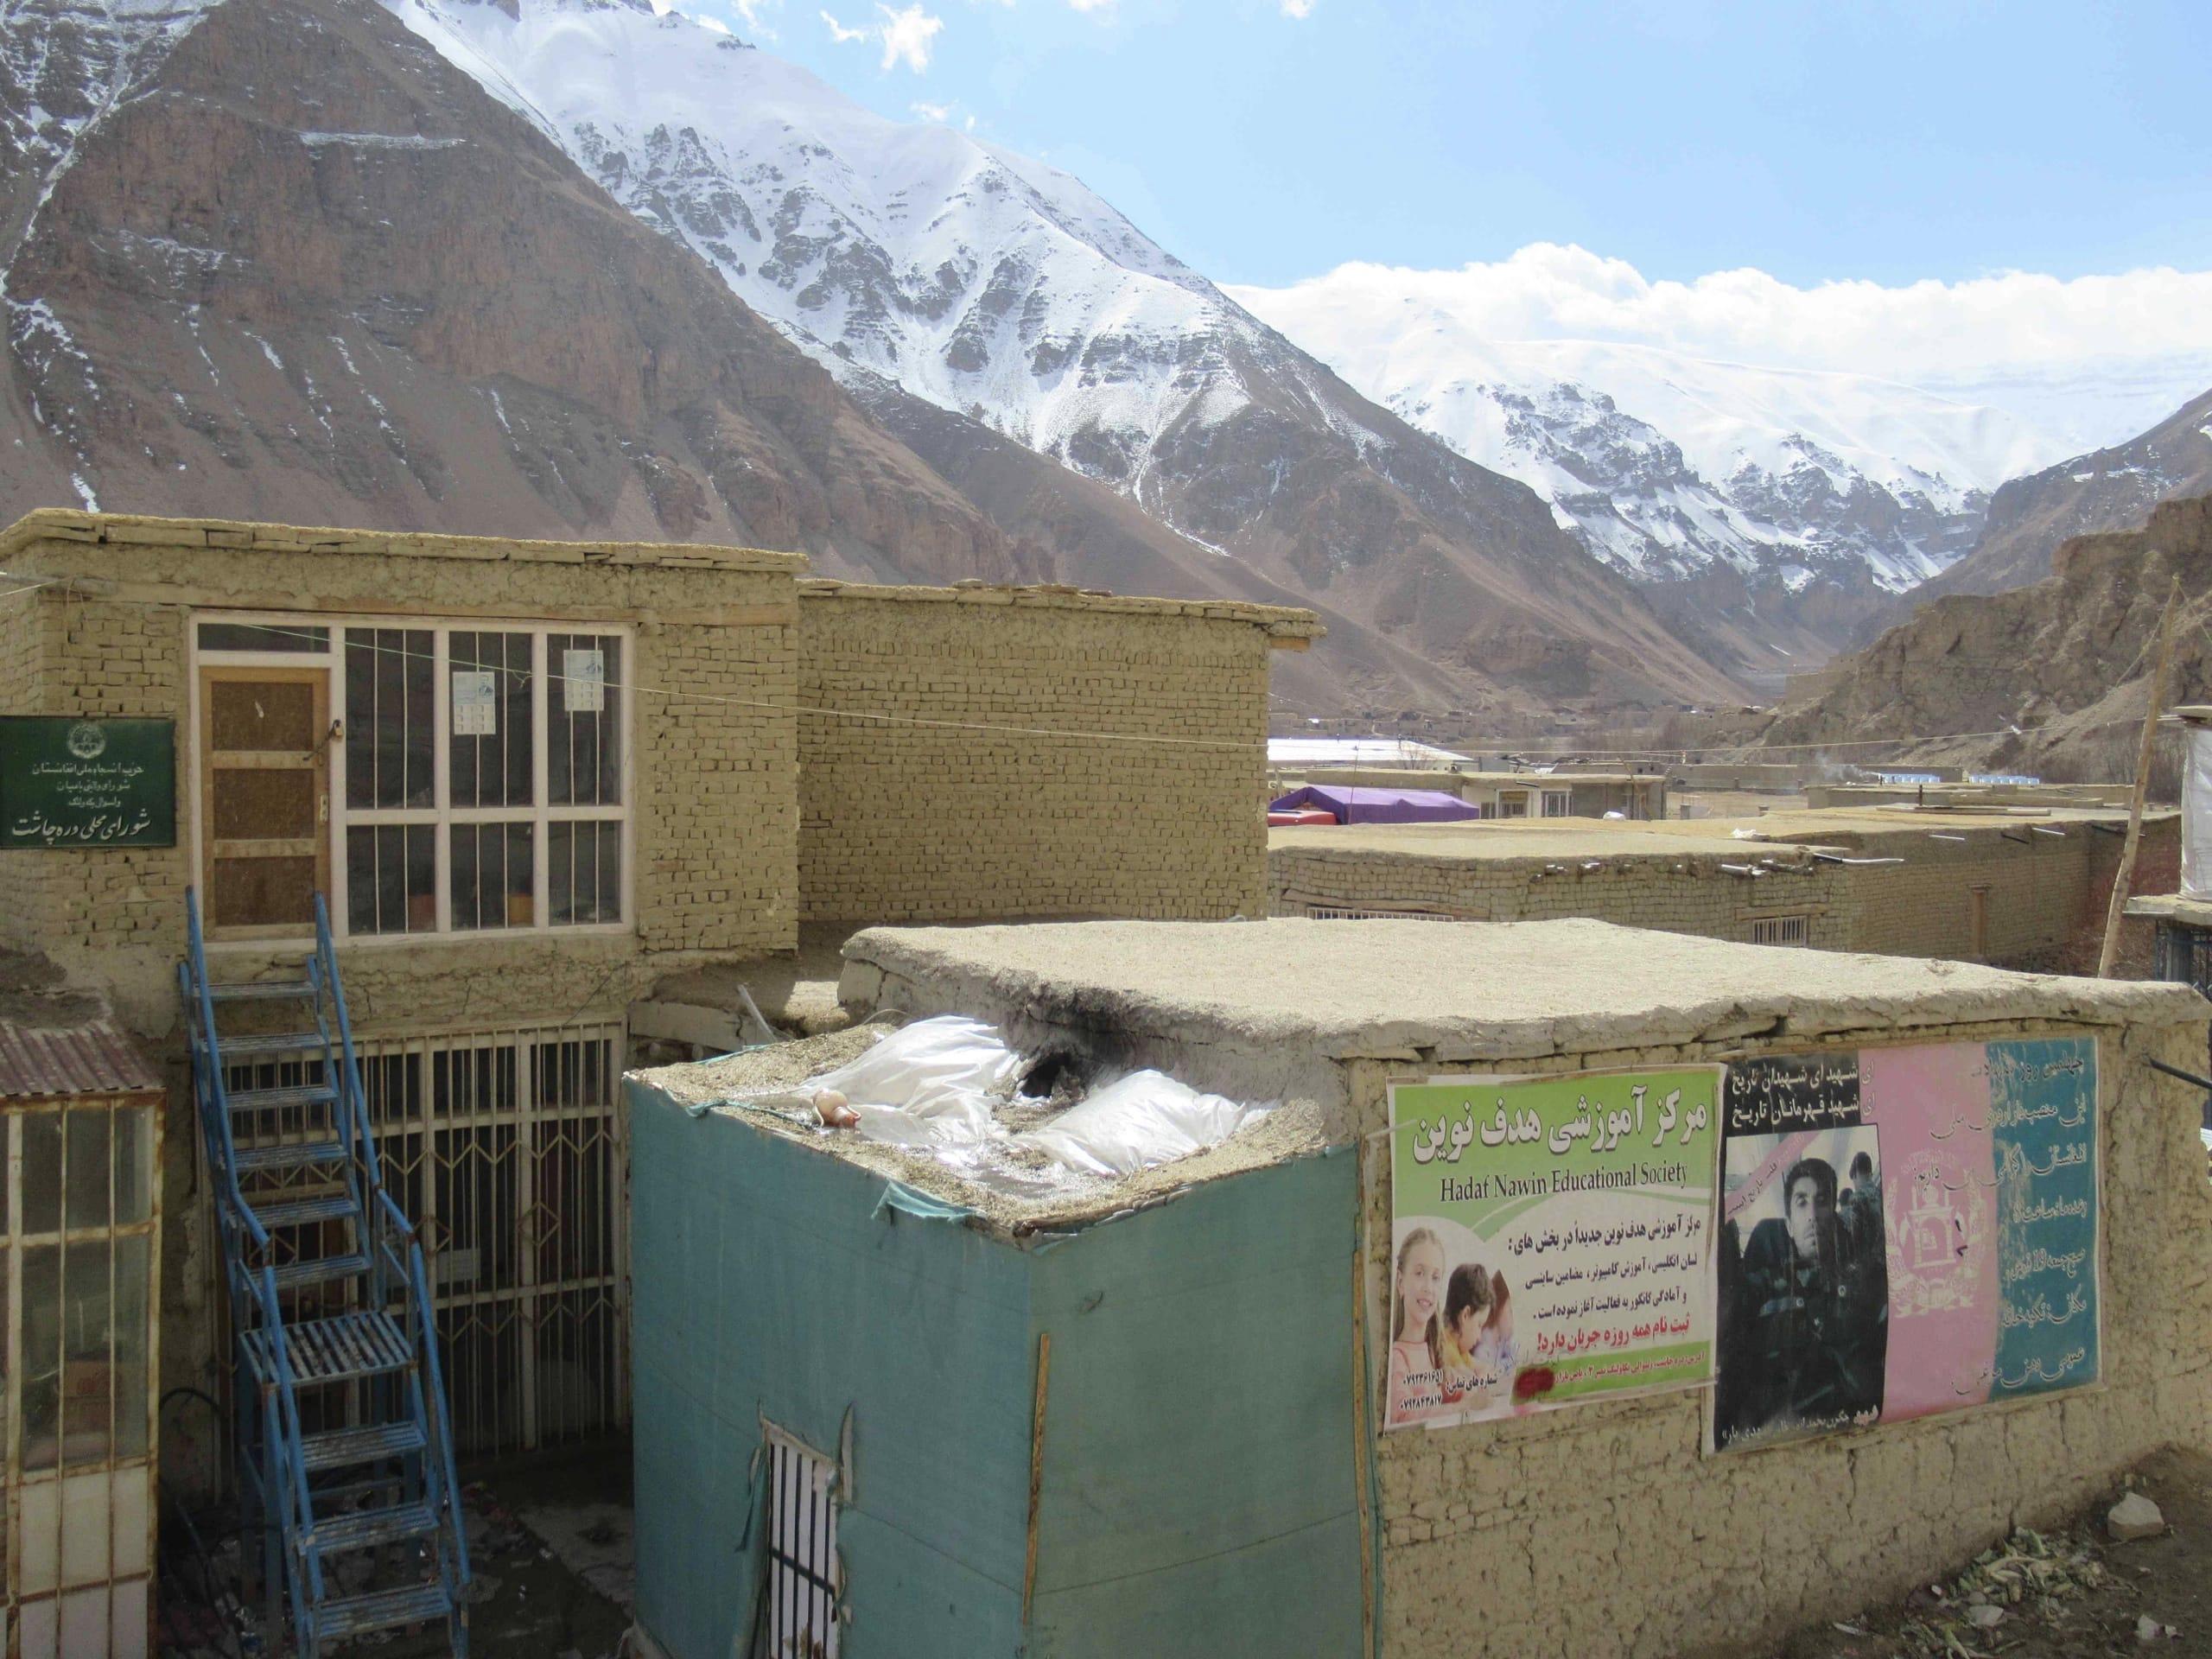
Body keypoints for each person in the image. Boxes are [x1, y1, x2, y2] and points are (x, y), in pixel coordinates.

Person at [1719, 1154, 1888, 1442]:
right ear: (1788, 1225)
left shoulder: (1863, 1289)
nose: (1812, 1214)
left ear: (1833, 1216)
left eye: (1821, 1202)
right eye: (1801, 1202)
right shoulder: (1761, 1293)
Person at [1386, 1228, 1447, 1427]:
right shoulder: (1397, 1357)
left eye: (1436, 1277)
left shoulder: (1434, 1351)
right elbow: (1402, 1416)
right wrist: (1462, 1406)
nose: (1428, 1287)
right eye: (1420, 1273)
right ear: (1401, 1282)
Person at [1438, 1262, 1515, 1409]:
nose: (1479, 1337)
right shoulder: (1445, 1347)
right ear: (1465, 1315)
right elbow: (1471, 1381)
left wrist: (1487, 1373)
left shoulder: (1459, 1350)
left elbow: (1482, 1368)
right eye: (1479, 1325)